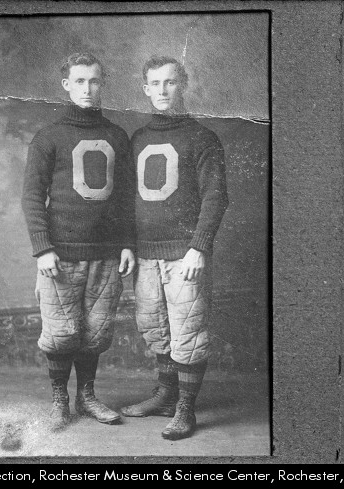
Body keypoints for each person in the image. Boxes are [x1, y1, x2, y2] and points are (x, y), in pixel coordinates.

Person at [21, 52, 136, 431]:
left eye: (94, 81)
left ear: (103, 84)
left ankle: (86, 396)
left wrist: (127, 243)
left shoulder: (117, 136)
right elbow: (32, 196)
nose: (88, 88)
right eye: (80, 81)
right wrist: (42, 248)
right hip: (60, 255)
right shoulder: (49, 137)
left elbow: (125, 197)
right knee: (60, 333)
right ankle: (60, 400)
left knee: (95, 331)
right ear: (66, 85)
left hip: (105, 255)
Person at [120, 55, 228, 440]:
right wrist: (128, 245)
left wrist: (198, 247)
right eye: (155, 83)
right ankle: (166, 395)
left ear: (183, 85)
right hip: (145, 253)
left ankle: (185, 408)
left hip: (185, 253)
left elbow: (215, 197)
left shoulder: (202, 137)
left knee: (188, 330)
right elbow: (127, 199)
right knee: (155, 326)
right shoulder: (138, 139)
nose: (163, 90)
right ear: (145, 89)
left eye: (170, 82)